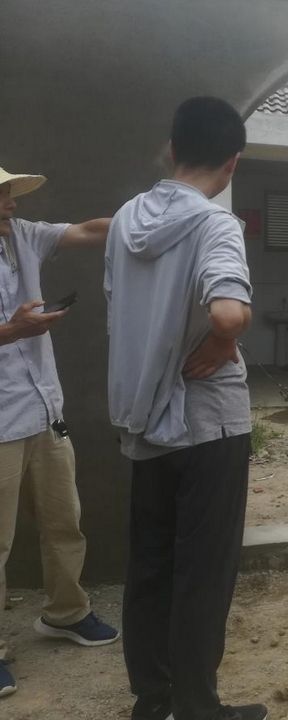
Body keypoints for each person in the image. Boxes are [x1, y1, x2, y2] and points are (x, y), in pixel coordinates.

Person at [105, 98, 265, 720]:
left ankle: (153, 698)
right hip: (208, 423)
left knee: (150, 563)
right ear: (232, 162)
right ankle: (198, 707)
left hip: (143, 417)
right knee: (204, 569)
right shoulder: (215, 224)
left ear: (173, 149)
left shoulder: (126, 219)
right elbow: (228, 312)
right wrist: (225, 339)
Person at [0, 165, 117, 699]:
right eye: (2, 195)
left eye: (10, 193)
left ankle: (65, 612)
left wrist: (156, 217)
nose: (12, 203)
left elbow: (90, 230)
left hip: (44, 408)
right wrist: (14, 330)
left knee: (63, 520)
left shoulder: (23, 235)